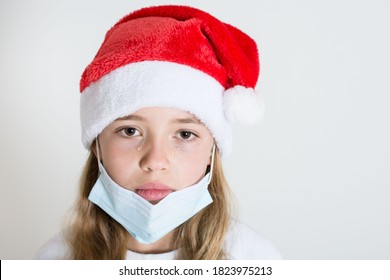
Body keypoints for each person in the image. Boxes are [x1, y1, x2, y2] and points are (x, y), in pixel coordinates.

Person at [35, 5, 281, 260]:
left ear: (212, 149)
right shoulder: (54, 261)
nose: (155, 162)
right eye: (130, 131)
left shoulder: (255, 258)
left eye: (184, 134)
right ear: (97, 143)